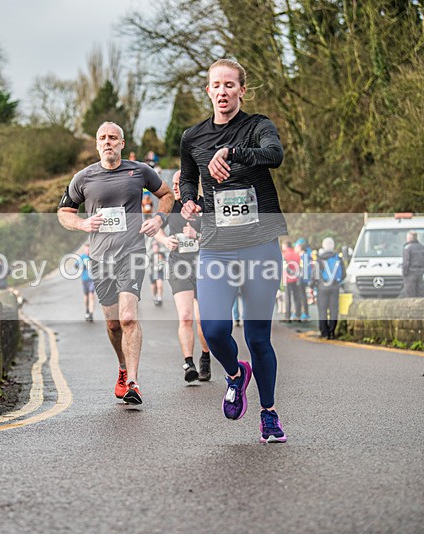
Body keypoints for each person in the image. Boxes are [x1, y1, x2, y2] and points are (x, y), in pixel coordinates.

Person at [179, 58, 288, 443]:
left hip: (260, 247)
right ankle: (236, 374)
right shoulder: (192, 137)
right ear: (207, 90)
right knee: (213, 328)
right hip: (217, 249)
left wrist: (232, 152)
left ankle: (269, 414)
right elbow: (189, 178)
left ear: (242, 90)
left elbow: (274, 155)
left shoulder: (259, 126)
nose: (222, 91)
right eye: (216, 85)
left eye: (230, 84)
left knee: (259, 338)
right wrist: (188, 201)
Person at [57, 122, 174, 405]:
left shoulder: (140, 171)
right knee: (113, 325)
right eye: (102, 138)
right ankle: (122, 368)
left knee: (128, 318)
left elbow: (167, 195)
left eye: (113, 138)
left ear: (122, 143)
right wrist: (83, 223)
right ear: (97, 145)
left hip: (132, 254)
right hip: (99, 259)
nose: (107, 142)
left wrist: (159, 219)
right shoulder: (83, 178)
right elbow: (63, 212)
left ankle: (133, 381)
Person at [152, 170, 212, 382]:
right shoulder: (170, 207)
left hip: (204, 267)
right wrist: (165, 241)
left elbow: (219, 236)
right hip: (179, 266)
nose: (175, 187)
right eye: (174, 184)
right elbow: (156, 229)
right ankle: (189, 363)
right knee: (185, 316)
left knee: (201, 319)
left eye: (180, 183)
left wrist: (198, 236)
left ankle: (205, 358)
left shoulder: (205, 205)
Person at [312, 237, 346, 339]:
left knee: (322, 310)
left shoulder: (320, 259)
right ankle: (332, 332)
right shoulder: (338, 258)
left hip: (322, 288)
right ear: (333, 246)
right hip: (335, 287)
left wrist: (315, 284)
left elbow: (315, 275)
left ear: (323, 246)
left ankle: (324, 332)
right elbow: (344, 273)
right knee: (333, 310)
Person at [402, 230, 424, 297]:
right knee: (420, 293)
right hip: (420, 273)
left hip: (410, 274)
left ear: (409, 238)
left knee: (410, 294)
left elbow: (406, 262)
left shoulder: (408, 248)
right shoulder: (423, 248)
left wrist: (404, 273)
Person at [282, 241, 302, 322]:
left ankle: (288, 316)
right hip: (296, 279)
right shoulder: (297, 254)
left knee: (288, 298)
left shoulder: (284, 255)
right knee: (297, 297)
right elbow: (300, 266)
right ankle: (298, 315)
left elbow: (284, 267)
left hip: (287, 279)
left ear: (286, 246)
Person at [294, 238, 311, 321]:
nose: (295, 248)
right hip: (303, 278)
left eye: (296, 246)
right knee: (302, 296)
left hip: (301, 279)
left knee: (302, 296)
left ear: (300, 247)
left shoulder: (303, 256)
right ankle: (302, 312)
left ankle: (305, 313)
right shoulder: (306, 255)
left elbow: (303, 269)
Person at [78, 244, 96, 321]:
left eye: (89, 249)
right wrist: (82, 266)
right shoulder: (82, 257)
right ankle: (87, 309)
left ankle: (91, 314)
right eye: (86, 249)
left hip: (92, 279)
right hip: (85, 279)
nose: (87, 251)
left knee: (91, 294)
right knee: (86, 296)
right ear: (84, 250)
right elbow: (76, 265)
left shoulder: (94, 257)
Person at [148, 240, 167, 306]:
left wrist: (161, 260)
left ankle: (159, 298)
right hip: (152, 272)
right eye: (154, 247)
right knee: (153, 286)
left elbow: (165, 262)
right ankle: (154, 296)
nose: (155, 248)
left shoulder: (162, 254)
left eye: (156, 247)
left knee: (160, 285)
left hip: (159, 272)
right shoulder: (151, 254)